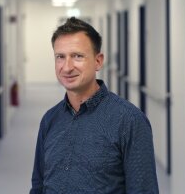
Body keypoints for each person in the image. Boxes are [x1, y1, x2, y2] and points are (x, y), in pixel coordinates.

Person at [30, 17, 159, 194]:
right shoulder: (50, 119)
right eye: (60, 57)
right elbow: (38, 186)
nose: (67, 67)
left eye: (77, 56)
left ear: (98, 61)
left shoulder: (129, 120)